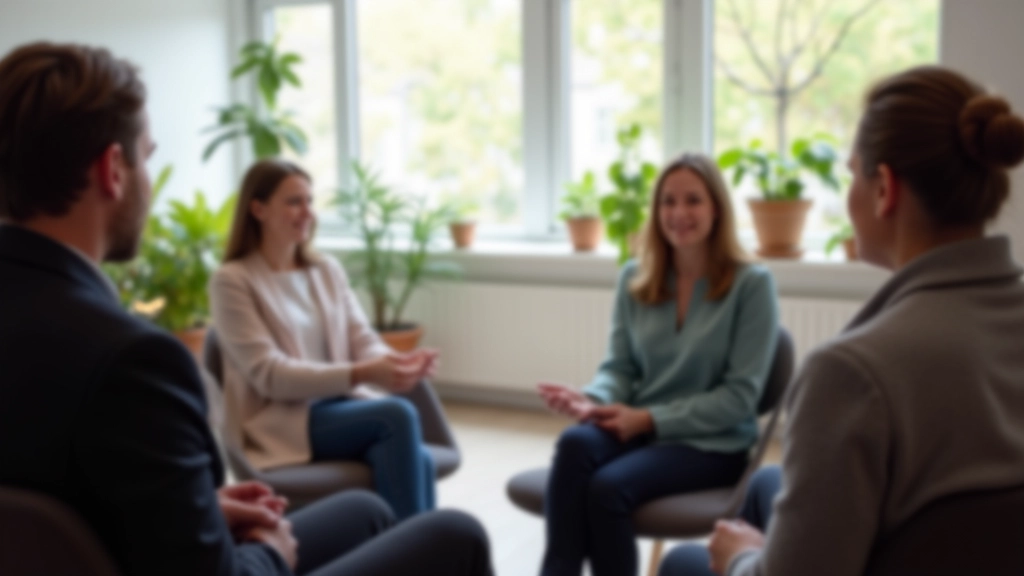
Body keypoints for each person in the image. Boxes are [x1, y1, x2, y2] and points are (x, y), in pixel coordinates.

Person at [0, 41, 493, 576]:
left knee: (367, 512)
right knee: (455, 534)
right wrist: (271, 552)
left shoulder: (321, 270)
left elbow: (67, 496)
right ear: (113, 169)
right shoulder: (133, 361)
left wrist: (200, 509)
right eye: (148, 156)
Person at [658, 65, 1024, 576]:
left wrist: (741, 558)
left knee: (687, 562)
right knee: (767, 484)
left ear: (884, 190)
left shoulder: (853, 375)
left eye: (853, 174)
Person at [537, 153, 779, 576]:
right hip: (639, 426)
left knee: (607, 488)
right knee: (575, 443)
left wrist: (647, 419)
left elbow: (739, 400)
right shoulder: (635, 276)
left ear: (716, 209)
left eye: (693, 201)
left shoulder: (752, 284)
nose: (678, 213)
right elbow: (621, 368)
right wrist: (592, 399)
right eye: (668, 201)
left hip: (712, 444)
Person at [210, 159, 439, 521]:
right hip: (285, 421)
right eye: (294, 202)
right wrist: (364, 372)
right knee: (396, 416)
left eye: (310, 201)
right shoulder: (232, 280)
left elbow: (362, 338)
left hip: (338, 407)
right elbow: (269, 375)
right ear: (258, 209)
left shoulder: (325, 269)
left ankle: (398, 557)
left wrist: (393, 362)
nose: (308, 213)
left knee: (417, 456)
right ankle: (414, 557)